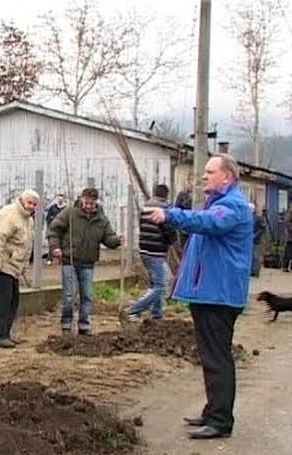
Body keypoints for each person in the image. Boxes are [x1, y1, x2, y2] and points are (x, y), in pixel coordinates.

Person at [144, 153, 253, 440]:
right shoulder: (219, 203)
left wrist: (171, 215)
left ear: (227, 176)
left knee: (217, 356)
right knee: (211, 355)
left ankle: (220, 421)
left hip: (219, 295)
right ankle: (213, 411)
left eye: (209, 171)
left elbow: (208, 223)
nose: (204, 176)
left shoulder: (232, 206)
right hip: (210, 293)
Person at [47, 187, 123, 335]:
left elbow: (108, 238)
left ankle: (84, 325)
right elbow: (54, 229)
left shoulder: (101, 219)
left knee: (87, 296)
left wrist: (117, 240)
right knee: (69, 295)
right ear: (82, 199)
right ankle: (66, 325)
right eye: (86, 203)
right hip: (69, 260)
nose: (88, 206)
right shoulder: (70, 213)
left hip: (88, 262)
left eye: (91, 203)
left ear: (96, 202)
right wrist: (55, 247)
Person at [0, 189, 39, 348]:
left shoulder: (28, 219)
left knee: (13, 301)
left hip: (13, 267)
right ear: (22, 200)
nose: (31, 207)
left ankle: (5, 334)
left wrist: (23, 267)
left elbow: (27, 245)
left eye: (34, 204)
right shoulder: (11, 214)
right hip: (3, 265)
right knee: (4, 302)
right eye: (29, 203)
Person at [123, 184, 175, 322]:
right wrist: (172, 241)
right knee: (161, 286)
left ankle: (157, 316)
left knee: (155, 285)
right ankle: (133, 310)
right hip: (156, 252)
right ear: (166, 195)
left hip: (144, 250)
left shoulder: (145, 207)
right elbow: (169, 229)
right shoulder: (165, 209)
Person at [250, 202, 266, 278]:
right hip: (249, 239)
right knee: (251, 256)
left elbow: (262, 228)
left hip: (255, 240)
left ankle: (255, 271)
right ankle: (251, 271)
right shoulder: (247, 217)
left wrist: (255, 235)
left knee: (255, 256)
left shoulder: (258, 218)